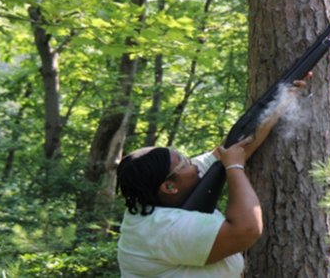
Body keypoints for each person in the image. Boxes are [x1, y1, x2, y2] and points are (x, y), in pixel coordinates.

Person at [115, 79, 307, 277]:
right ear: (170, 187)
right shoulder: (162, 229)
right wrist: (234, 167)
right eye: (185, 162)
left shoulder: (166, 193)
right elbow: (247, 229)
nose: (193, 164)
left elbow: (234, 148)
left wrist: (283, 100)